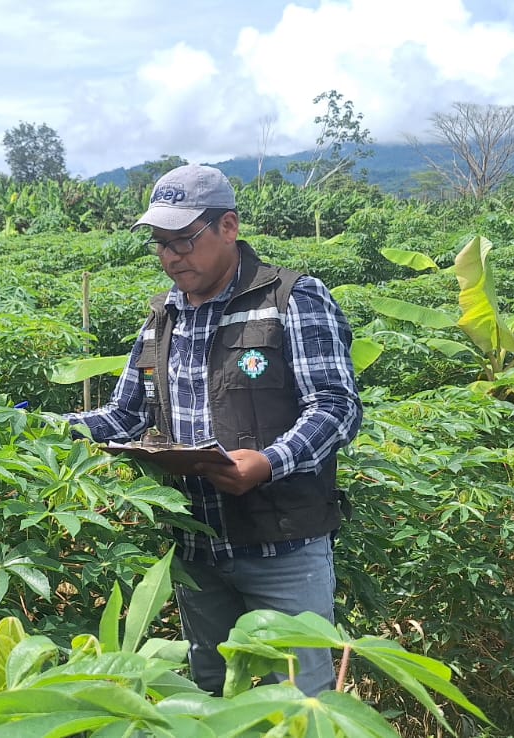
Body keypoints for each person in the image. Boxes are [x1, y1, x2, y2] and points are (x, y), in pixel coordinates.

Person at [65, 164, 362, 696]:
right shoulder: (163, 317)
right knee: (211, 695)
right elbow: (125, 416)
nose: (171, 256)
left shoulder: (292, 299)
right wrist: (32, 429)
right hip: (196, 549)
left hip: (282, 546)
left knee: (300, 699)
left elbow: (336, 407)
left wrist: (268, 462)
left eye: (184, 240)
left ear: (229, 226)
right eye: (161, 244)